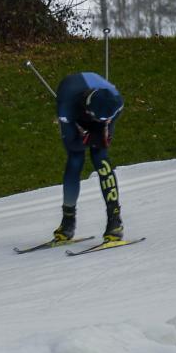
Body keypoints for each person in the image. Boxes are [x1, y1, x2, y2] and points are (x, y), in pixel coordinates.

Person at [52, 71, 126, 242]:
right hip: (75, 108)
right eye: (100, 119)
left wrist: (101, 133)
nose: (104, 122)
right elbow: (71, 143)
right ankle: (68, 221)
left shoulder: (115, 102)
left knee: (101, 157)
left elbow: (106, 126)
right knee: (75, 158)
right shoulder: (66, 106)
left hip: (99, 110)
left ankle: (115, 220)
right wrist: (85, 138)